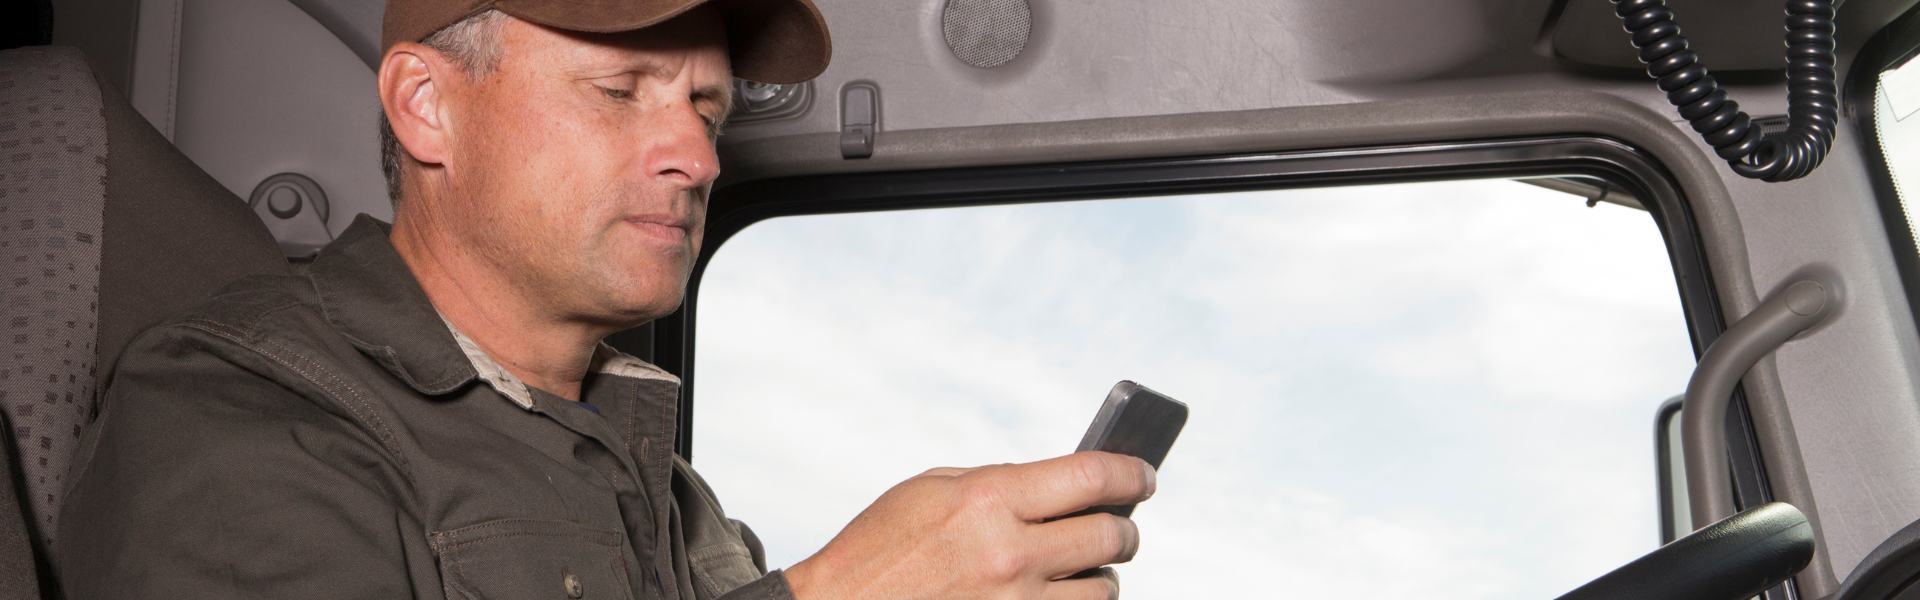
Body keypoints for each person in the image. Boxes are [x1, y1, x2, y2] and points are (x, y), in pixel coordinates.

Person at [55, 0, 1154, 598]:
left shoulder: (678, 503)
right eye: (620, 91)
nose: (697, 156)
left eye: (708, 111)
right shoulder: (236, 408)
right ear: (428, 109)